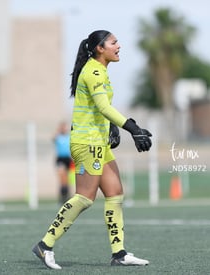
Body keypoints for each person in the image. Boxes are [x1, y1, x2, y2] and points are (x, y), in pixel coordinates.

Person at [32, 30, 153, 269]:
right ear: (100, 48)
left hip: (99, 142)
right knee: (85, 199)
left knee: (115, 193)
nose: (119, 46)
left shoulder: (100, 70)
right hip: (87, 143)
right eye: (114, 42)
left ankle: (119, 253)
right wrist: (132, 127)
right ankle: (45, 245)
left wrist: (111, 129)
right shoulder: (94, 70)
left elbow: (99, 108)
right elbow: (103, 106)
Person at [53, 121, 73, 204]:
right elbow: (53, 138)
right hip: (60, 159)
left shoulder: (69, 137)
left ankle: (67, 196)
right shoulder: (58, 137)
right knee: (62, 178)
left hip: (68, 159)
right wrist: (58, 130)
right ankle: (62, 197)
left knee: (68, 179)